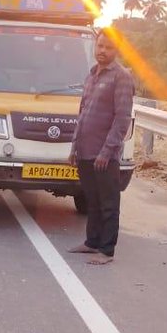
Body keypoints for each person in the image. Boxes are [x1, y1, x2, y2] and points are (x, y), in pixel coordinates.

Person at [67, 31, 135, 265]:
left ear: (116, 51)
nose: (102, 51)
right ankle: (91, 242)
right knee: (92, 200)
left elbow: (122, 118)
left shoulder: (121, 77)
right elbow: (83, 113)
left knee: (108, 203)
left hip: (105, 155)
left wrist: (106, 152)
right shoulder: (92, 75)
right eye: (100, 46)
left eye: (108, 47)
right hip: (85, 151)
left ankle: (106, 251)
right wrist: (74, 147)